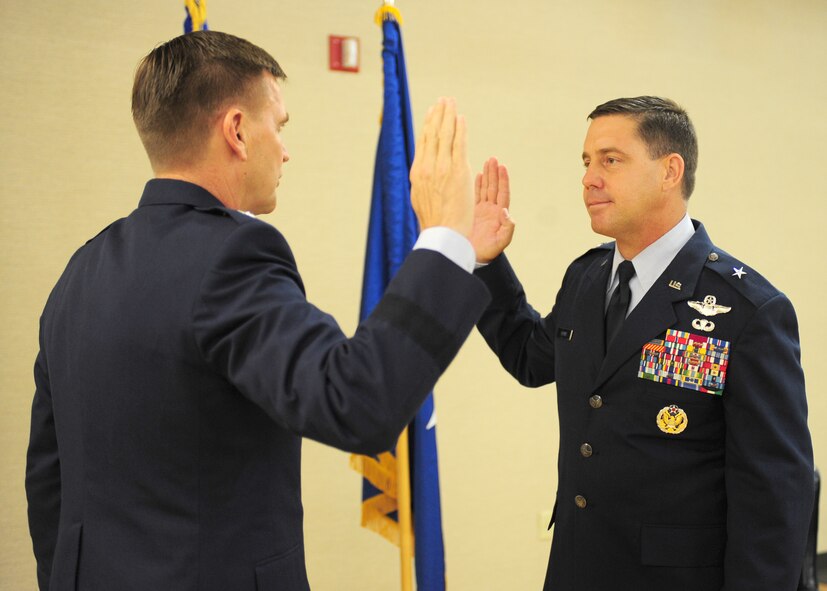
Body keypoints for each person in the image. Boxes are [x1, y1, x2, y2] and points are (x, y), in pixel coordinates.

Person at [25, 30, 490, 590]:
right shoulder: (234, 253)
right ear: (238, 131)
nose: (286, 148)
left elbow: (48, 479)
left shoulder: (80, 270)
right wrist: (443, 239)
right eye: (281, 125)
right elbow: (358, 401)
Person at [471, 96, 813, 590]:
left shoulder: (748, 309)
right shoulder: (587, 278)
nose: (589, 178)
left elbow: (775, 492)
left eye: (611, 160)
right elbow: (530, 358)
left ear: (670, 171)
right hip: (578, 567)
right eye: (587, 162)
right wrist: (485, 263)